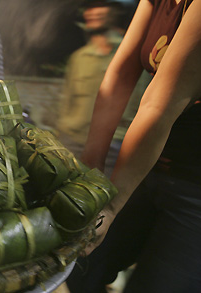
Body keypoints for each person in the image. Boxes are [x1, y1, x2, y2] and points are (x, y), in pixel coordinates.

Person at [66, 0, 201, 291]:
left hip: (198, 187)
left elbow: (160, 104)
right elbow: (119, 76)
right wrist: (92, 167)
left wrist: (112, 206)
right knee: (76, 269)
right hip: (148, 167)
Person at [56, 0, 151, 176]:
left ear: (116, 11)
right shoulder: (79, 57)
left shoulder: (134, 55)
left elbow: (146, 103)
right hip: (73, 143)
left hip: (114, 147)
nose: (93, 12)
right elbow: (66, 103)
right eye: (89, 8)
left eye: (100, 6)